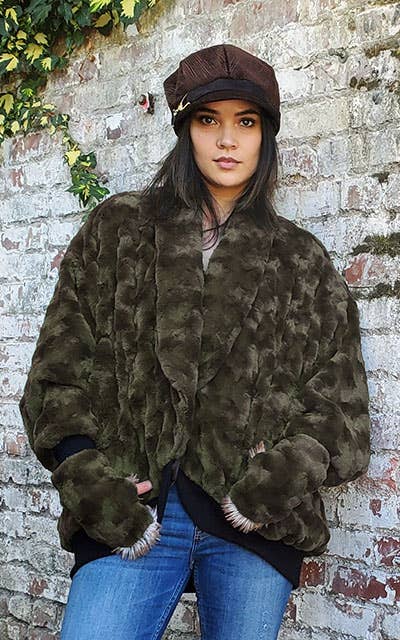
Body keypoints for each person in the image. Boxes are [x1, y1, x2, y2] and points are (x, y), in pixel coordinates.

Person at [19, 44, 371, 640]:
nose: (227, 140)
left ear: (266, 135)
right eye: (209, 120)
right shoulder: (118, 230)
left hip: (251, 523)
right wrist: (90, 478)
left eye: (246, 122)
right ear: (185, 130)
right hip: (132, 507)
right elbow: (56, 373)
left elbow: (342, 407)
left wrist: (277, 479)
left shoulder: (301, 260)